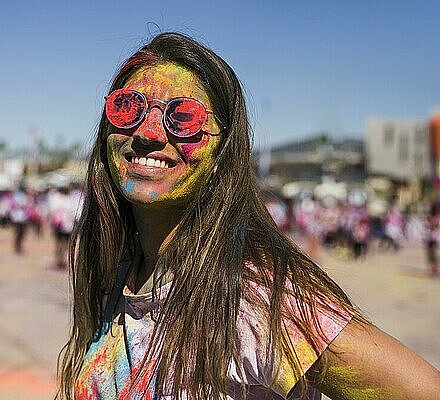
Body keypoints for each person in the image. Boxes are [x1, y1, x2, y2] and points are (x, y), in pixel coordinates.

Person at [57, 33, 439, 400]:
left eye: (183, 117)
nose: (149, 132)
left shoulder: (253, 295)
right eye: (128, 107)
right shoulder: (118, 269)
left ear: (223, 151)